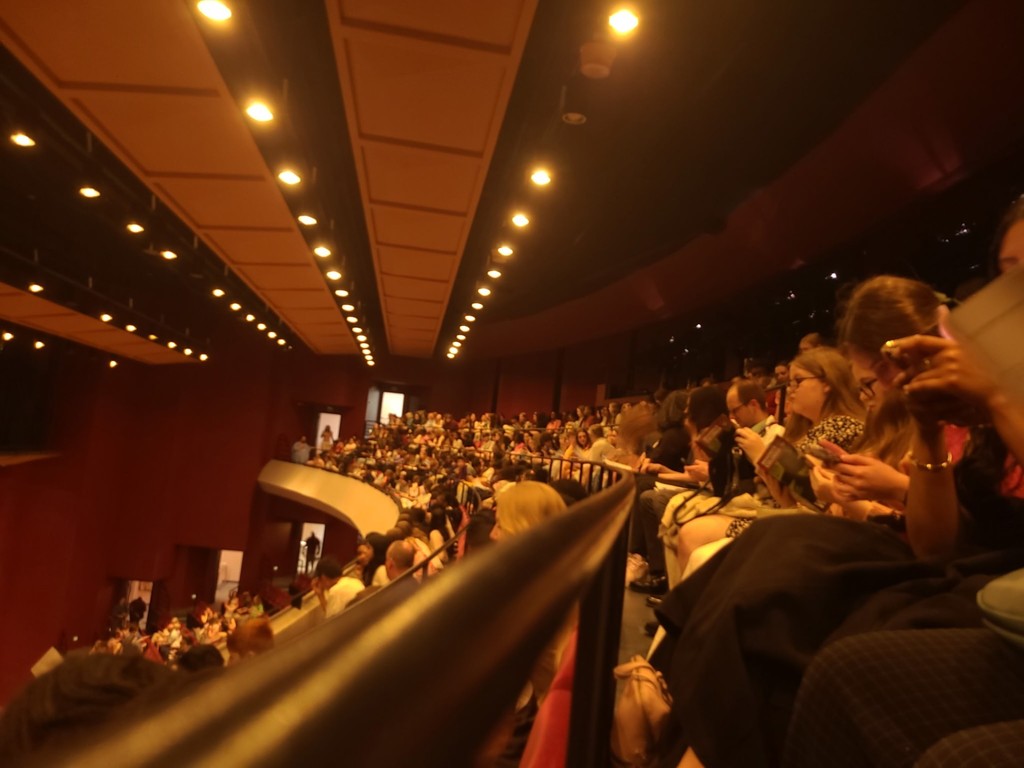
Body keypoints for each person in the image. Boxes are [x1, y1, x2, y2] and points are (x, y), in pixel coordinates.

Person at [650, 272, 1024, 768]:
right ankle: (668, 707)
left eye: (797, 382)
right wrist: (926, 431)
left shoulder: (964, 408)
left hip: (970, 572)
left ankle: (669, 713)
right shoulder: (922, 417)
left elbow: (937, 537)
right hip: (932, 552)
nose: (789, 391)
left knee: (777, 579)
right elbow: (935, 537)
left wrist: (884, 487)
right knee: (766, 552)